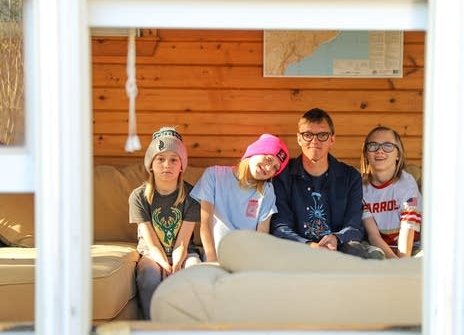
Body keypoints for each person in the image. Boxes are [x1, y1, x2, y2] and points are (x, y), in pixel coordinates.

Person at [270, 107, 384, 259]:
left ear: (332, 139)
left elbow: (355, 226)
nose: (314, 141)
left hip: (339, 249)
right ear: (299, 138)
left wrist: (336, 238)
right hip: (297, 249)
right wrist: (309, 245)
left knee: (361, 252)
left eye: (322, 135)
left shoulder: (350, 177)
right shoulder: (283, 176)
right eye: (308, 135)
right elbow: (280, 227)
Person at [128, 127, 201, 320]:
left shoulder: (192, 196)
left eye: (173, 159)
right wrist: (164, 266)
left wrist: (176, 265)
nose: (166, 165)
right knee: (150, 275)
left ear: (181, 166)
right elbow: (151, 244)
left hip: (183, 252)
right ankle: (153, 323)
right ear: (151, 164)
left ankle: (188, 324)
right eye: (160, 159)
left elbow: (183, 243)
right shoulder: (139, 196)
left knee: (195, 270)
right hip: (152, 254)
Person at [190, 133, 290, 262]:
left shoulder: (267, 191)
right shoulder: (214, 175)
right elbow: (206, 224)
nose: (269, 167)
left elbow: (261, 237)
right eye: (268, 159)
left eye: (275, 168)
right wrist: (212, 261)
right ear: (255, 151)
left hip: (247, 262)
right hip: (216, 258)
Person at [360, 125, 422, 258]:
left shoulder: (406, 183)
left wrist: (402, 264)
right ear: (366, 154)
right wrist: (395, 264)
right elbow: (373, 235)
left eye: (387, 146)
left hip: (411, 247)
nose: (380, 151)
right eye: (373, 146)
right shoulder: (361, 188)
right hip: (379, 248)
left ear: (398, 154)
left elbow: (408, 226)